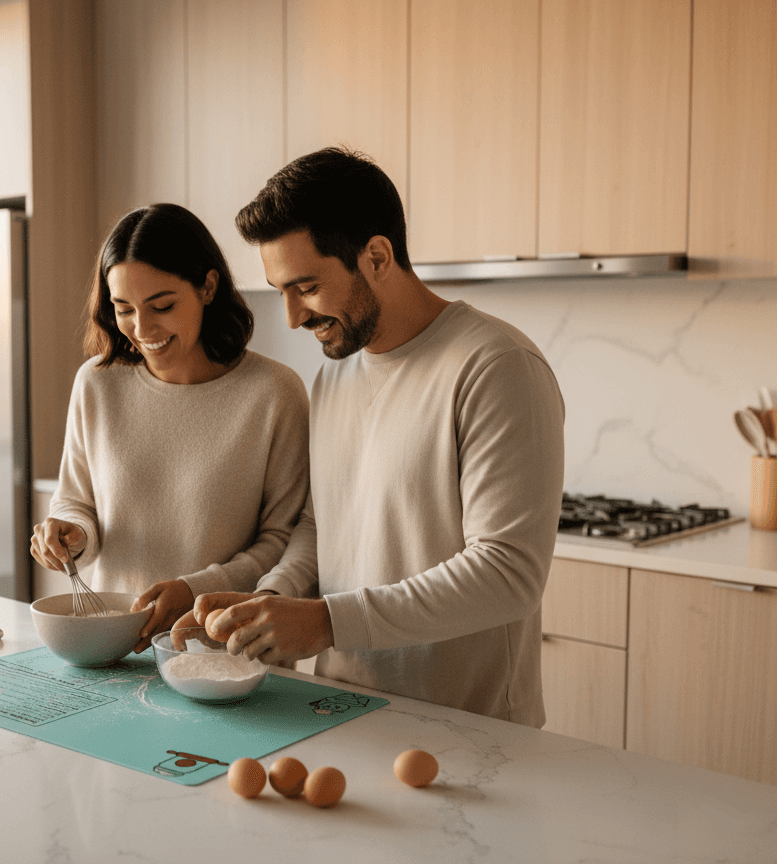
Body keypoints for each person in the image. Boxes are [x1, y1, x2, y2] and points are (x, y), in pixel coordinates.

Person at [179, 148, 564, 727]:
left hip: (470, 728)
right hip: (339, 710)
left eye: (307, 287)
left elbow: (508, 573)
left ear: (377, 256)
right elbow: (322, 526)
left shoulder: (495, 366)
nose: (292, 317)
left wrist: (326, 622)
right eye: (280, 290)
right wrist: (273, 600)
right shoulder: (334, 375)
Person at [30, 203, 310, 652]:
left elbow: (285, 542)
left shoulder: (274, 393)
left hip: (225, 653)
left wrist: (195, 589)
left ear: (208, 288)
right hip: (114, 646)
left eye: (162, 306)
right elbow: (75, 500)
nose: (142, 329)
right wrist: (71, 532)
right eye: (123, 309)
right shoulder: (97, 384)